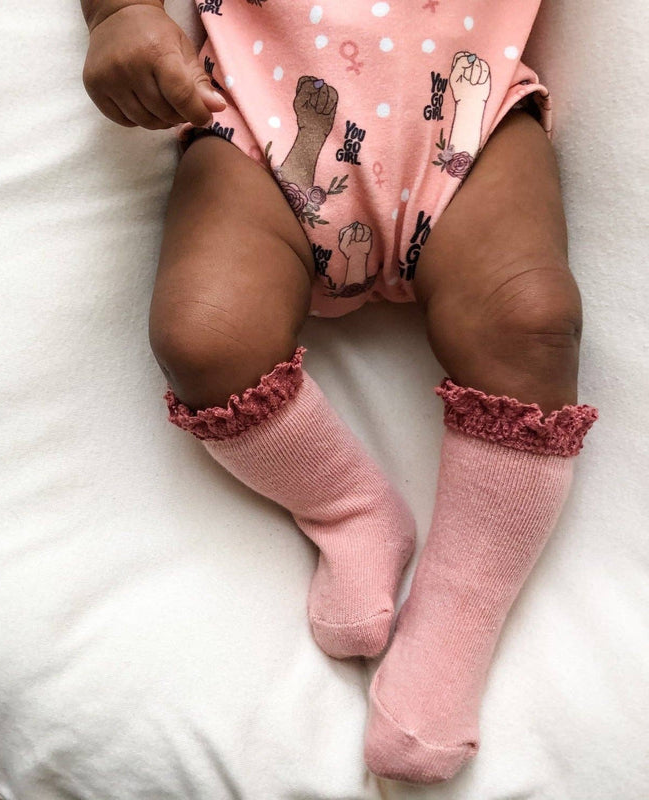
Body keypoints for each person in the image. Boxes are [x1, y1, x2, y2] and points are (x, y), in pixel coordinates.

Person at [81, 0, 598, 783]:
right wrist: (118, 15)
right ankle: (348, 508)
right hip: (259, 115)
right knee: (203, 333)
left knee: (529, 322)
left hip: (466, 115)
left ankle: (460, 609)